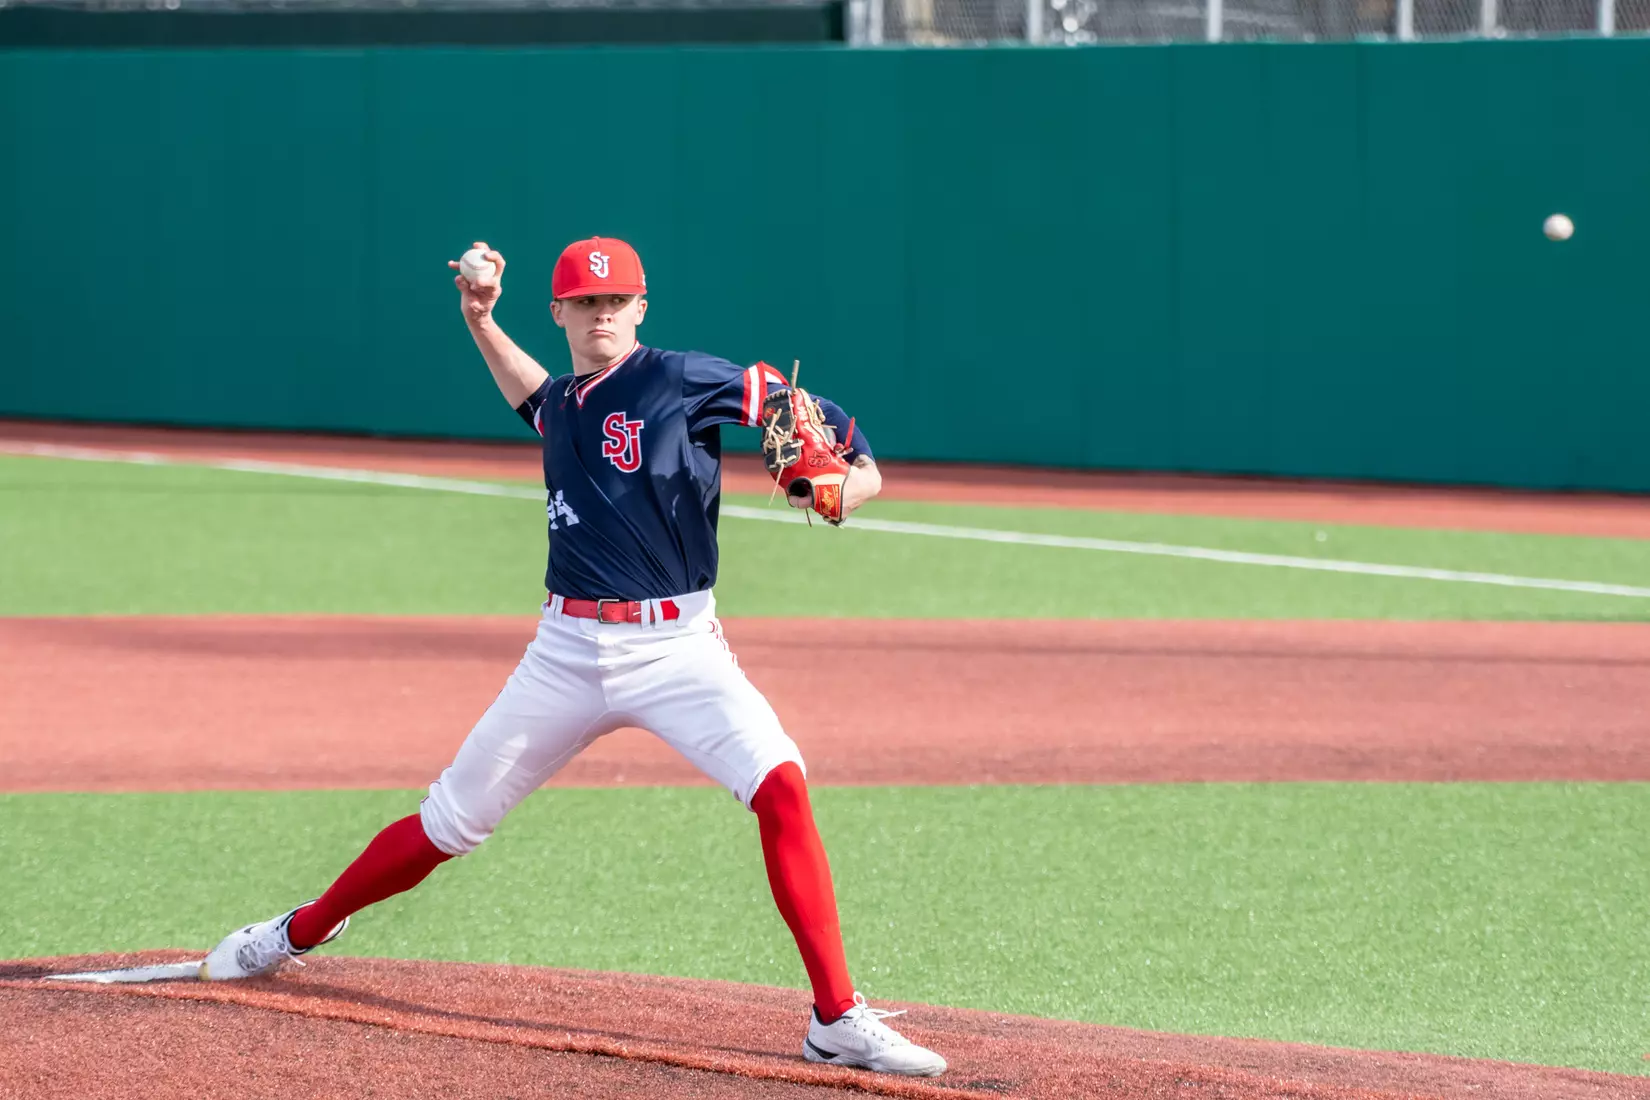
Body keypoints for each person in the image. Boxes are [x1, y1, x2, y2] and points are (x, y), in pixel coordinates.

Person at [200, 236, 947, 1078]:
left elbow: (825, 427)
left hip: (679, 648)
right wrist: (480, 320)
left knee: (782, 784)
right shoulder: (563, 403)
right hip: (564, 652)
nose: (602, 314)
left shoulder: (684, 378)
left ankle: (836, 1017)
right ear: (559, 311)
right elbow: (536, 398)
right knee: (447, 824)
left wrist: (855, 483)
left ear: (641, 307)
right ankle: (301, 929)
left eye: (616, 301)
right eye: (585, 303)